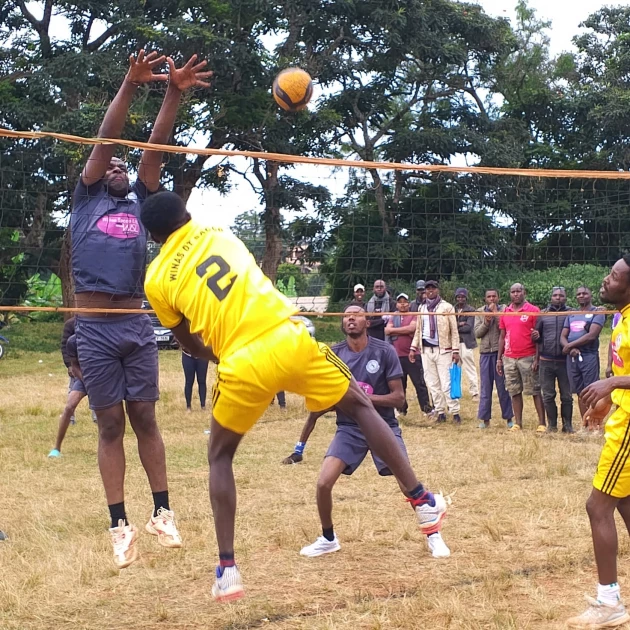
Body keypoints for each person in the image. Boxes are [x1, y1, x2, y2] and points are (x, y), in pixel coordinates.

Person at [140, 191, 448, 602]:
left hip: (240, 361)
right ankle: (422, 500)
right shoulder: (216, 230)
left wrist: (225, 352)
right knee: (358, 404)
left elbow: (192, 347)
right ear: (188, 214)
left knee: (219, 457)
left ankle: (227, 569)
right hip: (287, 337)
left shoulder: (156, 279)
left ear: (152, 236)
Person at [71, 51, 209, 567]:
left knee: (145, 416)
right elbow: (109, 138)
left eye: (123, 165)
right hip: (94, 323)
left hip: (134, 319)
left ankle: (162, 512)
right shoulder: (85, 200)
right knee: (109, 425)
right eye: (110, 163)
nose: (118, 164)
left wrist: (173, 91)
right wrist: (131, 85)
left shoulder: (138, 203)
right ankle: (118, 524)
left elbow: (151, 148)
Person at [289, 305, 449, 559]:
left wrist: (362, 400)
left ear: (367, 321)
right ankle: (328, 538)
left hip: (383, 425)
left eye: (357, 314)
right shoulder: (334, 354)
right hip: (349, 429)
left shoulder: (383, 350)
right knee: (323, 483)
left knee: (407, 485)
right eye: (346, 315)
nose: (350, 318)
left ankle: (434, 535)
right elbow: (322, 402)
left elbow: (398, 399)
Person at [566, 256, 630, 628]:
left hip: (629, 429)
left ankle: (610, 602)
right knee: (623, 502)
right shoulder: (621, 315)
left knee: (598, 507)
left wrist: (612, 384)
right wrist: (604, 403)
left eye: (614, 277)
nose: (606, 281)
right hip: (620, 417)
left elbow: (621, 378)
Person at [409, 280, 461, 424]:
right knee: (432, 383)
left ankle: (455, 412)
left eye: (433, 288)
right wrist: (413, 348)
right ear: (424, 291)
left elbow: (454, 331)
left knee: (446, 383)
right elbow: (418, 330)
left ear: (437, 290)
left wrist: (455, 350)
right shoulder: (422, 308)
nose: (430, 291)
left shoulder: (447, 307)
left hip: (443, 349)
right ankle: (440, 411)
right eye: (427, 289)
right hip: (426, 350)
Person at [497, 283, 546, 432]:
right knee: (514, 391)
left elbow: (538, 336)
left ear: (524, 292)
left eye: (519, 291)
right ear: (510, 294)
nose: (516, 294)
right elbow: (502, 336)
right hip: (509, 358)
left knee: (535, 390)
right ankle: (518, 423)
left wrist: (537, 358)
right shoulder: (506, 311)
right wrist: (499, 359)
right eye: (513, 292)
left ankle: (542, 423)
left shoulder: (533, 311)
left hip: (528, 356)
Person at [48, 317, 93, 457]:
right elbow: (75, 367)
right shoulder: (72, 342)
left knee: (106, 412)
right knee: (69, 406)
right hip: (84, 376)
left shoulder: (101, 340)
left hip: (103, 376)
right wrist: (85, 380)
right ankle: (57, 448)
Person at [533, 287, 574, 433]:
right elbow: (537, 338)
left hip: (565, 361)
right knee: (548, 395)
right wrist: (536, 359)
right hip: (546, 360)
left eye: (561, 295)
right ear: (551, 297)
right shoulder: (543, 314)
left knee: (567, 395)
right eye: (555, 295)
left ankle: (567, 425)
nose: (558, 297)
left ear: (566, 297)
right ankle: (552, 425)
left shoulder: (572, 313)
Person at [561, 286, 605, 419]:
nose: (581, 295)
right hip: (573, 357)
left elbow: (591, 335)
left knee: (591, 391)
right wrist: (570, 348)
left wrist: (569, 346)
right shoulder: (572, 314)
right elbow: (563, 335)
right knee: (580, 392)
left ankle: (595, 422)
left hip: (588, 356)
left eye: (584, 293)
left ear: (591, 295)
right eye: (579, 294)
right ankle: (585, 422)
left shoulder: (597, 312)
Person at [385, 293, 432, 415]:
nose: (403, 304)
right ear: (397, 304)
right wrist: (403, 330)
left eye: (405, 302)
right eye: (400, 302)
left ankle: (426, 409)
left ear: (409, 304)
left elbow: (412, 329)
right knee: (400, 385)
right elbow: (387, 330)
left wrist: (395, 331)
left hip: (413, 355)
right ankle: (401, 409)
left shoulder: (414, 315)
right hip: (397, 356)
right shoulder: (393, 316)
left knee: (419, 383)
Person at [475, 290, 514, 429]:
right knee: (486, 388)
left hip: (500, 353)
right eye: (489, 297)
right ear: (485, 299)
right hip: (485, 353)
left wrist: (496, 313)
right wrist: (486, 321)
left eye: (494, 296)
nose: (491, 299)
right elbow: (477, 333)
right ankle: (485, 419)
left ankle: (509, 418)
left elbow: (504, 327)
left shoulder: (505, 309)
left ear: (498, 297)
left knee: (503, 387)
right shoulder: (479, 312)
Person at [454, 288, 479, 398]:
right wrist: (460, 324)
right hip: (454, 343)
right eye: (459, 296)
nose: (461, 299)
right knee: (455, 368)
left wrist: (455, 326)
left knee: (470, 368)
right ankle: (456, 392)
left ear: (466, 298)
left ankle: (475, 392)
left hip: (466, 343)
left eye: (463, 297)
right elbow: (449, 327)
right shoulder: (452, 309)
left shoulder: (470, 309)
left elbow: (468, 327)